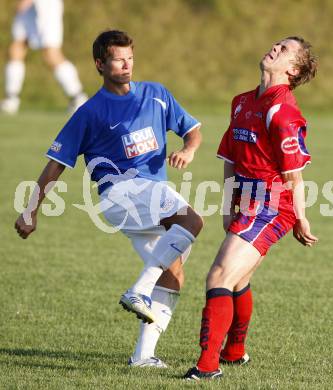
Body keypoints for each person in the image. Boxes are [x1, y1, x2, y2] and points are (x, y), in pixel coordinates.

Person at [14, 30, 203, 368]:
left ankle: (143, 357)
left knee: (173, 272)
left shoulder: (156, 94)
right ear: (100, 64)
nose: (127, 64)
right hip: (121, 193)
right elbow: (55, 166)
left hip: (147, 197)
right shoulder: (90, 113)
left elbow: (192, 129)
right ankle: (138, 290)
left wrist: (189, 149)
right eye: (118, 59)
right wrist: (30, 211)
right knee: (192, 220)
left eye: (130, 57)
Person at [184, 36, 318, 380]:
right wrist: (229, 203)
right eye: (277, 43)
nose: (275, 48)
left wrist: (300, 218)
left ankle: (207, 367)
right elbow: (230, 156)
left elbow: (294, 176)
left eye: (284, 49)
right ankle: (234, 352)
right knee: (238, 278)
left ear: (293, 69)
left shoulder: (283, 111)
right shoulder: (242, 101)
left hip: (271, 205)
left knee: (218, 275)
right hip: (245, 201)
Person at [1, 0, 87, 114]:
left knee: (51, 53)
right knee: (17, 47)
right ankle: (11, 99)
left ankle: (79, 98)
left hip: (45, 4)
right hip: (29, 8)